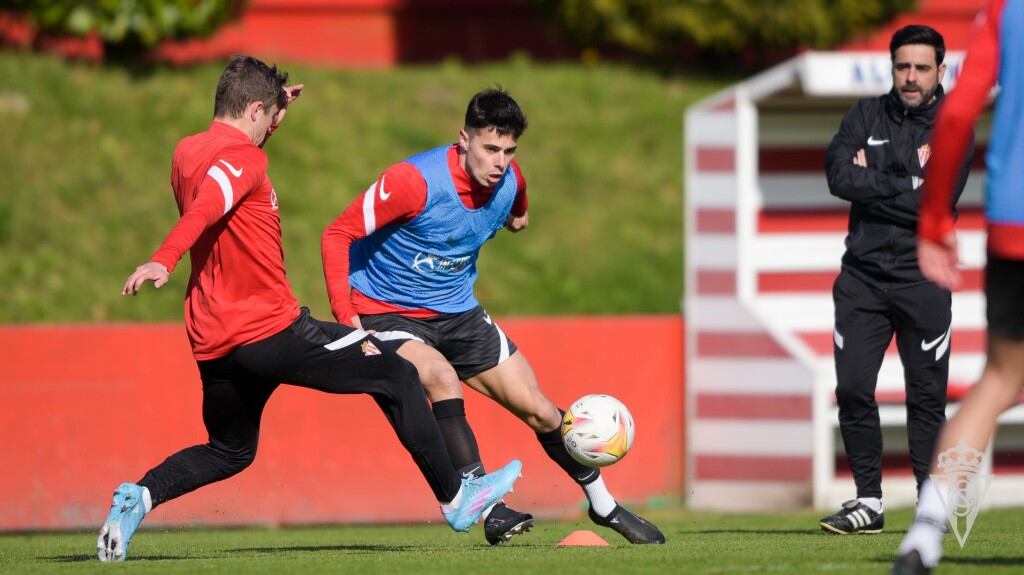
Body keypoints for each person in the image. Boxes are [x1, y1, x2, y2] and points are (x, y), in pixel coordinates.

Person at [97, 56, 522, 563]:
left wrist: (272, 121)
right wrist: (164, 259)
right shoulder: (246, 163)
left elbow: (226, 175)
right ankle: (457, 497)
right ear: (256, 108)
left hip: (214, 340)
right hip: (268, 329)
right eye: (269, 114)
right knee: (397, 373)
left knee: (230, 450)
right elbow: (210, 203)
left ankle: (138, 497)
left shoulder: (188, 150)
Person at [321, 88, 665, 545]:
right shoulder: (412, 181)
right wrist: (348, 321)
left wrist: (518, 218)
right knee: (440, 377)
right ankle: (488, 509)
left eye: (508, 151)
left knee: (543, 412)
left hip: (458, 312)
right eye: (489, 149)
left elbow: (519, 201)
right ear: (463, 140)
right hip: (386, 313)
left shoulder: (509, 181)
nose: (499, 162)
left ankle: (605, 506)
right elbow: (336, 234)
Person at [820, 25, 975, 535]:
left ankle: (931, 507)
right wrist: (904, 180)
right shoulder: (864, 114)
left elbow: (934, 200)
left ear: (940, 72)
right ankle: (868, 503)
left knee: (926, 399)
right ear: (893, 68)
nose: (910, 77)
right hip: (861, 280)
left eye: (921, 68)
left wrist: (875, 181)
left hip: (923, 281)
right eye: (902, 66)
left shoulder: (955, 126)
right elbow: (837, 175)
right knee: (853, 388)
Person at [893, 1, 1024, 573]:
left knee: (998, 380)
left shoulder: (1006, 10)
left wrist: (934, 222)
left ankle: (923, 536)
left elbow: (955, 115)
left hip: (1013, 219)